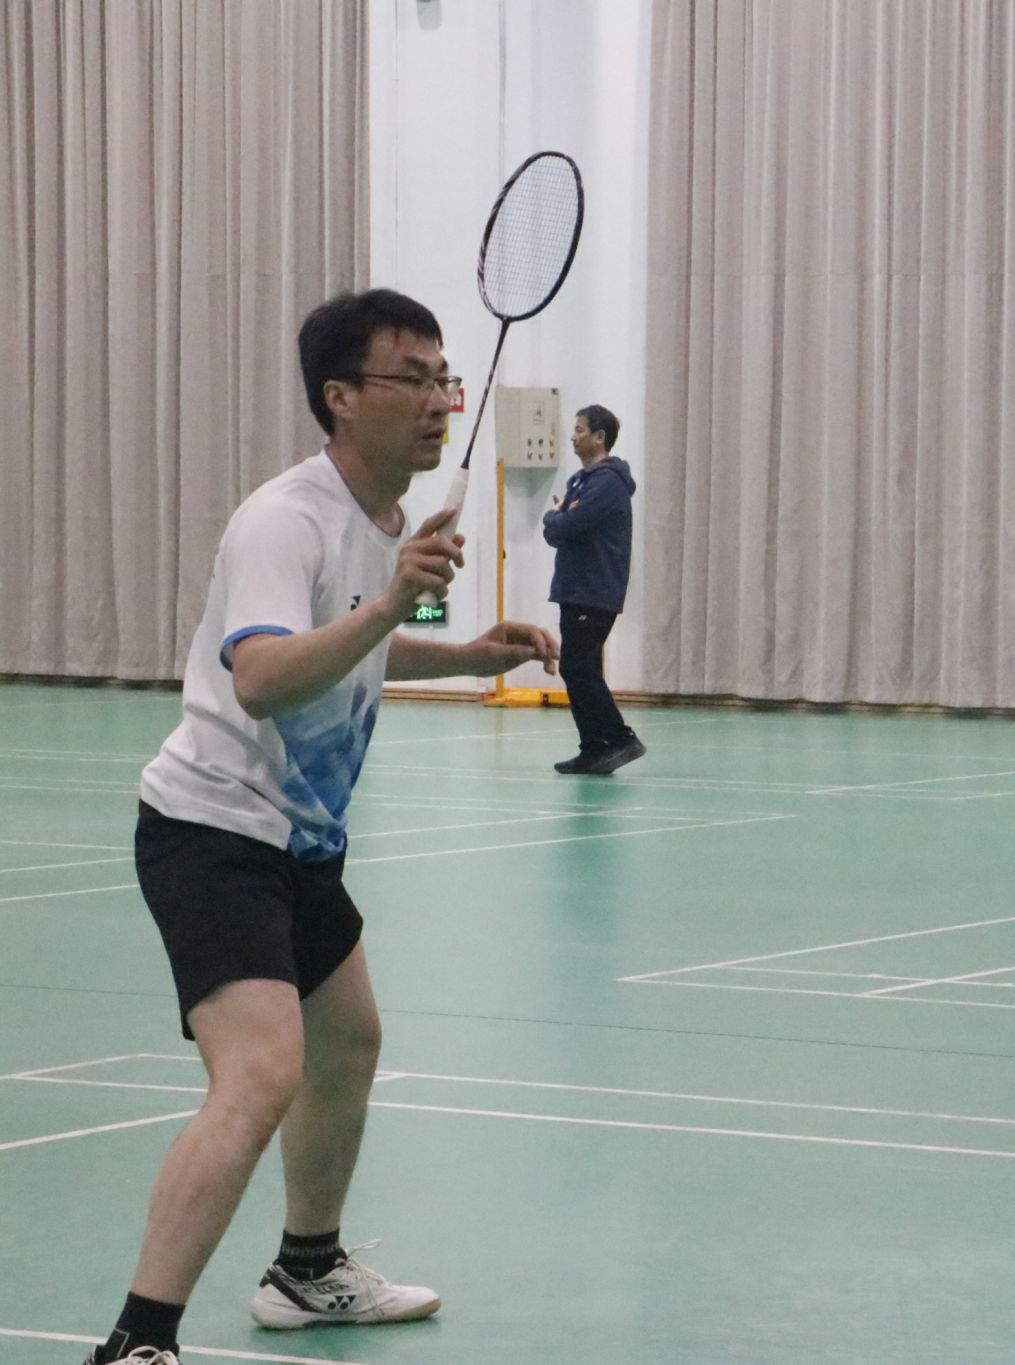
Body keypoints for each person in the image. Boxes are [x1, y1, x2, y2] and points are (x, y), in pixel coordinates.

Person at [88, 289, 560, 1365]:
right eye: (412, 378)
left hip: (297, 842)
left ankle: (306, 1269)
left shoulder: (384, 521)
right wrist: (391, 606)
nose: (438, 400)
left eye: (444, 379)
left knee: (347, 1044)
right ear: (340, 397)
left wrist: (465, 653)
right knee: (260, 1074)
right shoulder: (285, 519)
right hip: (213, 830)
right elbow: (260, 677)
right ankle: (136, 1342)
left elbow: (352, 645)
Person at [543, 403, 643, 775]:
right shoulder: (578, 482)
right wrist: (559, 518)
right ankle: (593, 748)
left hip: (595, 589)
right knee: (581, 667)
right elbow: (556, 530)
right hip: (573, 588)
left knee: (577, 666)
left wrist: (558, 516)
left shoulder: (607, 483)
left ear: (600, 437)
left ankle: (619, 737)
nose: (573, 437)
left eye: (580, 430)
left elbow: (568, 524)